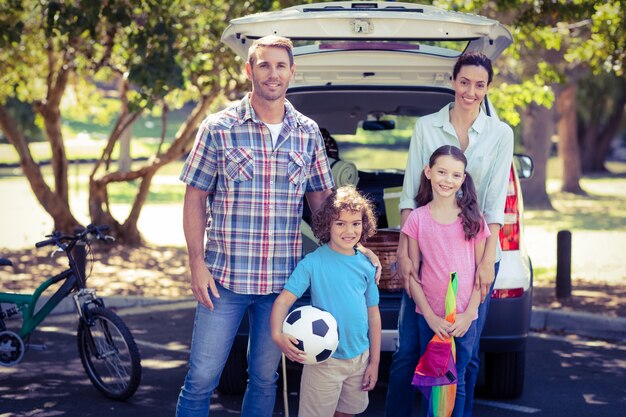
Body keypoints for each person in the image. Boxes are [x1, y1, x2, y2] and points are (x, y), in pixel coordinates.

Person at [174, 35, 337, 417]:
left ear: (292, 72)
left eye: (281, 66)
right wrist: (196, 263)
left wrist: (349, 248)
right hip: (223, 281)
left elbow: (321, 202)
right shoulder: (218, 128)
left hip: (280, 286)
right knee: (201, 379)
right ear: (249, 70)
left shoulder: (307, 132)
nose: (272, 73)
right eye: (264, 65)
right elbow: (194, 197)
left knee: (264, 379)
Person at [385, 52, 513, 417]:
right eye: (464, 82)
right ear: (453, 81)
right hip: (426, 256)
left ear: (488, 88)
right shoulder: (427, 126)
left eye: (480, 85)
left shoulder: (500, 133)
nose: (471, 91)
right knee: (409, 351)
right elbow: (410, 192)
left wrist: (488, 261)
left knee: (466, 355)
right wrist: (405, 253)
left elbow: (493, 203)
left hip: (477, 257)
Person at [270, 185, 382, 417]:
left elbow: (373, 314)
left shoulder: (366, 265)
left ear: (364, 224)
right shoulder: (312, 263)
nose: (349, 230)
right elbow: (283, 301)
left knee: (347, 414)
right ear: (326, 225)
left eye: (356, 223)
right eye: (340, 223)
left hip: (359, 359)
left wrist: (374, 362)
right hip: (324, 362)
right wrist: (277, 334)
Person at [403, 145, 490, 416]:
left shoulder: (473, 219)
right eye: (441, 172)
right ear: (428, 172)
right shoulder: (417, 219)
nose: (447, 180)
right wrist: (429, 316)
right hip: (430, 318)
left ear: (463, 179)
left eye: (455, 175)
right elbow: (412, 276)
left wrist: (468, 315)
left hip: (463, 318)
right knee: (432, 380)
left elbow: (481, 275)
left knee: (457, 379)